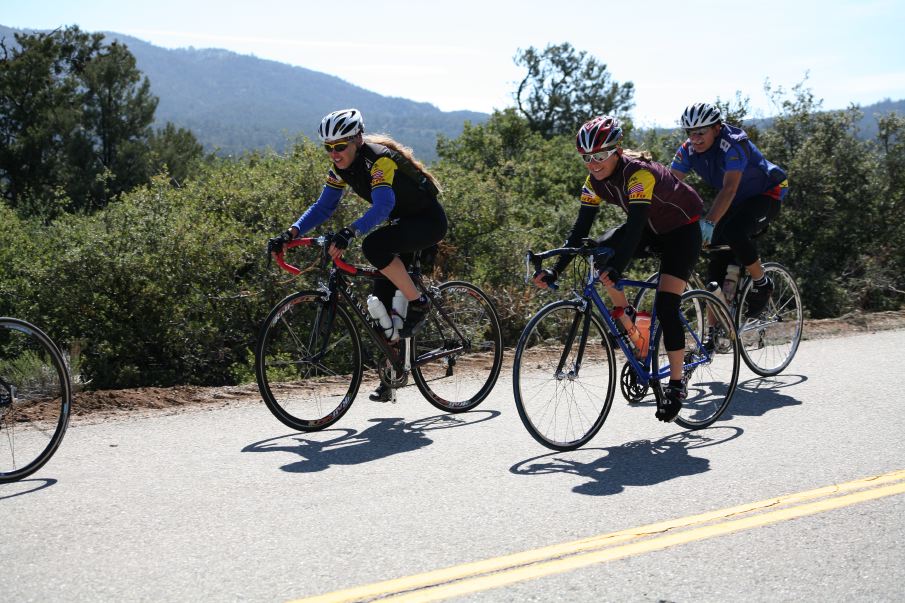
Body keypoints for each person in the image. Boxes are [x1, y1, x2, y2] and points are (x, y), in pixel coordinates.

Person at [532, 116, 704, 423]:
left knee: (666, 307)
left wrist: (618, 266)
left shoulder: (639, 175)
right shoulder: (593, 182)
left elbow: (636, 226)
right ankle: (633, 331)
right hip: (653, 229)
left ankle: (677, 385)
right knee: (597, 252)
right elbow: (578, 231)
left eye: (600, 155)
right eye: (587, 157)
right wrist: (556, 271)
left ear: (617, 151)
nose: (594, 163)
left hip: (682, 232)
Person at [267, 108, 447, 401]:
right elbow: (324, 206)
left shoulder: (380, 161)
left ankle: (420, 301)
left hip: (427, 222)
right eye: (328, 148)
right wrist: (291, 233)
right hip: (402, 224)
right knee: (380, 301)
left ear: (357, 139)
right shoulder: (339, 169)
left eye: (340, 146)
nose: (334, 153)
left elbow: (382, 207)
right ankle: (392, 375)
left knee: (373, 246)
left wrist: (350, 232)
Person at [670, 102, 789, 317]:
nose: (694, 138)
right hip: (736, 201)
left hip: (766, 193)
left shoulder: (733, 144)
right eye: (690, 132)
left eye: (700, 132)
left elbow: (729, 188)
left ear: (716, 128)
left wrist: (709, 222)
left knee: (733, 231)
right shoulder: (688, 150)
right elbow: (670, 186)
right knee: (714, 257)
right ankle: (713, 334)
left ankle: (762, 283)